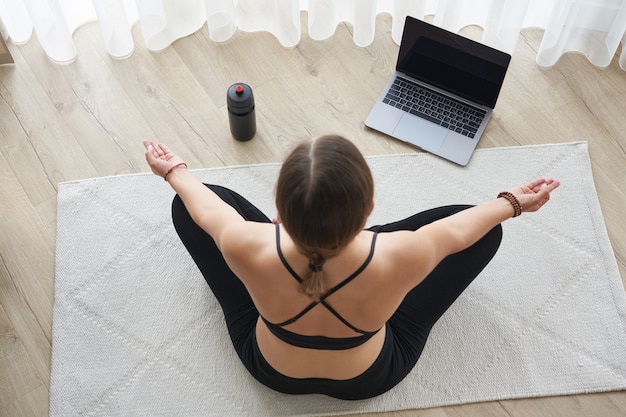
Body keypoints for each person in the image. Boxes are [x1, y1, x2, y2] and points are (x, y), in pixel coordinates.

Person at [143, 135, 560, 400]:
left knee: (195, 203)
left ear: (280, 212)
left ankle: (318, 234)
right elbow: (456, 231)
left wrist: (174, 171)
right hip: (370, 377)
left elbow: (205, 208)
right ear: (370, 208)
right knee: (483, 228)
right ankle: (342, 237)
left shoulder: (246, 244)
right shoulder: (403, 254)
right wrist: (512, 203)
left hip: (271, 369)